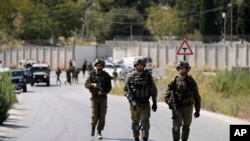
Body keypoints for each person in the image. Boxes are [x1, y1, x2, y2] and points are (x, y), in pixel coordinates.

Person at [164, 61, 201, 141]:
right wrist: (169, 103)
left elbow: (197, 97)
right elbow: (166, 95)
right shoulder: (174, 81)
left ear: (187, 70)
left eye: (184, 68)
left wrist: (197, 110)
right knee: (176, 126)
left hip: (188, 107)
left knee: (186, 126)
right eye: (180, 68)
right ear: (178, 69)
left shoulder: (191, 82)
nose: (182, 70)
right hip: (177, 107)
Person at [123, 58, 158, 141]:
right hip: (134, 104)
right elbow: (124, 90)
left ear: (143, 66)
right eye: (138, 65)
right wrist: (129, 97)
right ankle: (136, 138)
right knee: (135, 123)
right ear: (135, 66)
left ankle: (145, 138)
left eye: (141, 65)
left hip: (145, 104)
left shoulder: (148, 76)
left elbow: (153, 89)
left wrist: (154, 102)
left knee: (145, 123)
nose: (139, 67)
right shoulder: (130, 76)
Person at [85, 58, 112, 139]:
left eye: (100, 65)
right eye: (97, 65)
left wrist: (103, 92)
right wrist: (93, 85)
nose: (99, 66)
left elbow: (109, 87)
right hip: (94, 98)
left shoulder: (106, 75)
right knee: (94, 114)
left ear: (102, 66)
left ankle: (99, 131)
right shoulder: (91, 74)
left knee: (102, 115)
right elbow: (86, 84)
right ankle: (93, 127)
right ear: (95, 66)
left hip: (103, 98)